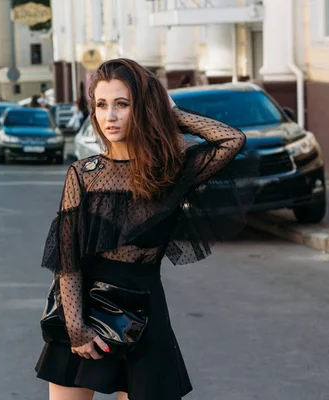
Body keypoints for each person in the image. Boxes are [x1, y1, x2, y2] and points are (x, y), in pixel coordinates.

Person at [35, 58, 249, 399]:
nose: (110, 116)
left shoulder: (171, 172)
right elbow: (68, 257)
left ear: (142, 109)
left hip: (145, 311)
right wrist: (76, 327)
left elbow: (231, 140)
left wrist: (168, 112)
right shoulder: (83, 173)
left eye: (123, 104)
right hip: (82, 307)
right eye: (102, 105)